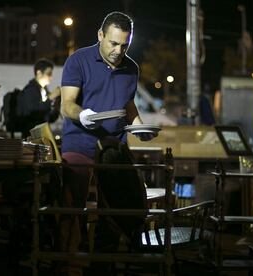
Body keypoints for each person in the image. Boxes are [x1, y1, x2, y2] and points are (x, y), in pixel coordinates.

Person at [59, 11, 154, 275]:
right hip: (80, 141)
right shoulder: (79, 60)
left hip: (114, 146)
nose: (118, 50)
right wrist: (82, 115)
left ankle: (102, 264)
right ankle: (67, 261)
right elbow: (66, 104)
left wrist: (140, 127)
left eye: (124, 45)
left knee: (117, 206)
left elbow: (128, 105)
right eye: (113, 43)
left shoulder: (131, 68)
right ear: (100, 35)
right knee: (73, 200)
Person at [19, 58, 61, 138]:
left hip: (42, 133)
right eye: (49, 74)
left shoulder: (44, 90)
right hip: (30, 134)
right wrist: (51, 97)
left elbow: (49, 118)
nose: (51, 77)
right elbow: (33, 110)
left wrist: (57, 106)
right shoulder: (30, 90)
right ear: (39, 73)